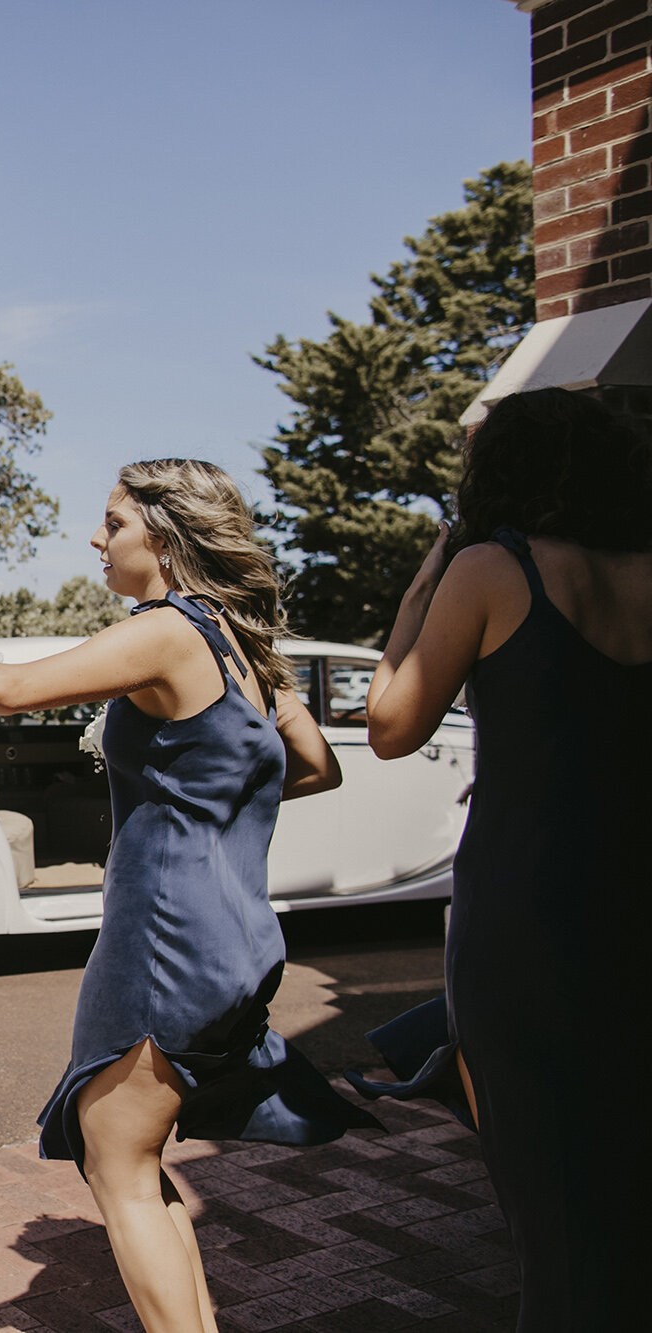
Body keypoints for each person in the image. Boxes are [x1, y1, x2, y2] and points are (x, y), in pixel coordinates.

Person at [0, 458, 378, 1333]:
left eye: (113, 522)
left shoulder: (172, 630)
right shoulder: (245, 647)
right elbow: (318, 768)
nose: (95, 540)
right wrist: (212, 794)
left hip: (163, 938)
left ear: (167, 535)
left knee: (118, 1165)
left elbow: (16, 688)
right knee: (133, 1157)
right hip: (240, 933)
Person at [353, 387, 652, 1332]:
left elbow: (391, 723)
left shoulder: (491, 568)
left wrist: (423, 580)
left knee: (554, 1216)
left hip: (531, 911)